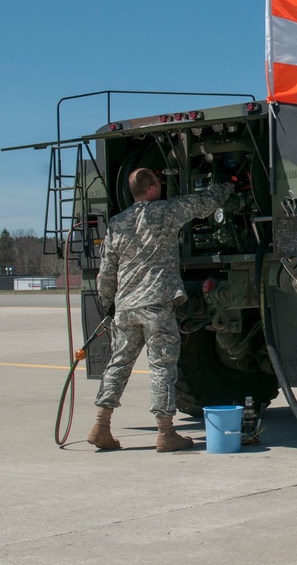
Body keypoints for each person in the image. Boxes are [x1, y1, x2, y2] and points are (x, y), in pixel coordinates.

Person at [87, 167, 235, 452]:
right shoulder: (165, 211)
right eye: (159, 183)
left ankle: (101, 426)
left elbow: (105, 273)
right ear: (152, 188)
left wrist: (108, 304)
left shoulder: (117, 223)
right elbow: (204, 204)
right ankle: (166, 433)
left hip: (126, 307)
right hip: (156, 305)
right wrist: (227, 185)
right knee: (162, 367)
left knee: (118, 364)